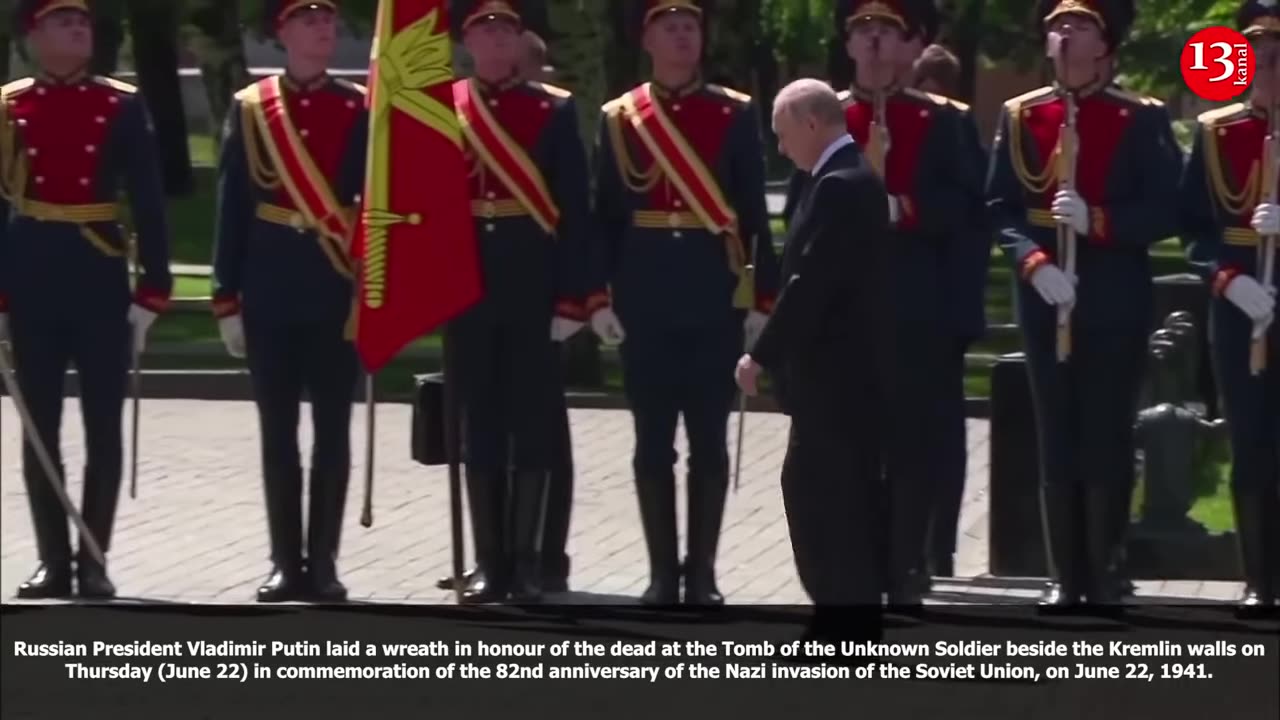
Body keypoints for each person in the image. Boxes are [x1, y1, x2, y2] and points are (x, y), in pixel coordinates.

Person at [986, 0, 1182, 606]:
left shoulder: (1141, 117)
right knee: (1057, 433)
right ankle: (1063, 575)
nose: (1065, 34)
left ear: (1106, 45)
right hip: (1045, 296)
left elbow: (1167, 209)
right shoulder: (1022, 117)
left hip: (1113, 294)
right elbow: (1000, 208)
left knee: (1107, 432)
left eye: (1081, 26)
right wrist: (1034, 262)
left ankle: (1104, 568)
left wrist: (1099, 221)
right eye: (1056, 26)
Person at [591, 0, 780, 605]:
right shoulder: (620, 118)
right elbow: (606, 218)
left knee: (708, 441)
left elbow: (753, 215)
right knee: (651, 443)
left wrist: (761, 300)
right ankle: (659, 575)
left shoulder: (733, 113)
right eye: (669, 27)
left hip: (712, 297)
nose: (682, 36)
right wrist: (599, 296)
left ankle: (701, 572)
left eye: (690, 27)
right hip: (645, 298)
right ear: (647, 38)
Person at [0, 0, 172, 600]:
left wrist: (154, 284)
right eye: (62, 22)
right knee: (39, 426)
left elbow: (148, 200)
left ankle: (93, 557)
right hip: (31, 276)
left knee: (103, 422)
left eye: (83, 22)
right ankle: (53, 560)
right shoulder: (9, 106)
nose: (78, 30)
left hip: (98, 276)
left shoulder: (119, 104)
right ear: (35, 34)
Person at [211, 0, 366, 603]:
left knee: (332, 431)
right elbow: (232, 208)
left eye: (328, 21)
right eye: (309, 21)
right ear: (283, 33)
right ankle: (283, 562)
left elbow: (377, 204)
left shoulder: (358, 107)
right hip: (272, 287)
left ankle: (323, 562)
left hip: (336, 288)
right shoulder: (253, 110)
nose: (323, 30)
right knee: (278, 432)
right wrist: (226, 296)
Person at [444, 0, 593, 604]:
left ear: (519, 38)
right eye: (485, 30)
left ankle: (530, 562)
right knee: (478, 424)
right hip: (466, 285)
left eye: (506, 29)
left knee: (533, 425)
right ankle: (490, 563)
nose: (497, 40)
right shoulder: (446, 107)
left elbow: (575, 212)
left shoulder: (552, 111)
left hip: (532, 282)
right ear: (468, 40)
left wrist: (572, 299)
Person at [834, 0, 981, 604]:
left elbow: (968, 210)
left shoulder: (942, 119)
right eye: (863, 30)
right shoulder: (828, 114)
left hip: (916, 305)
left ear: (907, 47)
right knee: (851, 444)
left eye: (886, 31)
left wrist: (904, 209)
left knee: (912, 443)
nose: (873, 40)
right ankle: (861, 560)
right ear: (849, 46)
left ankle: (910, 563)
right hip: (846, 309)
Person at [735, 78, 890, 613]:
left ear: (810, 123)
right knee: (830, 498)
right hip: (840, 377)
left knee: (822, 500)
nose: (781, 148)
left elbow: (811, 283)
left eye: (782, 134)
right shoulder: (839, 178)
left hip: (835, 377)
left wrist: (763, 353)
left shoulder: (840, 184)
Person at [1178, 0, 1280, 610]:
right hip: (1240, 304)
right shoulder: (1217, 133)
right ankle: (1259, 580)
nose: (1264, 64)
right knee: (1249, 441)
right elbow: (1192, 229)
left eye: (1275, 55)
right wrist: (1228, 280)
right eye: (1256, 54)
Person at [903, 24, 992, 582]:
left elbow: (969, 220)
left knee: (940, 432)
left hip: (944, 308)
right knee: (925, 432)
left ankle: (939, 547)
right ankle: (922, 546)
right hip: (921, 306)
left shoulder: (955, 131)